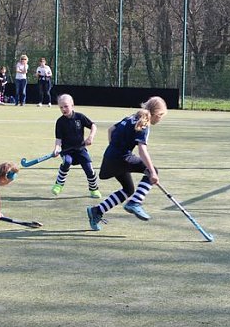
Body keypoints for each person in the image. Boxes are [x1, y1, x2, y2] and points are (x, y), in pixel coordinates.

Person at [86, 96, 167, 230]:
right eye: (161, 116)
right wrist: (152, 172)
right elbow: (142, 151)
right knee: (153, 170)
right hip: (121, 158)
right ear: (157, 114)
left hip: (109, 158)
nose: (160, 119)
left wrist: (115, 148)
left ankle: (97, 211)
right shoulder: (144, 124)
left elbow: (111, 130)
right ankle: (135, 202)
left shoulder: (131, 117)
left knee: (128, 189)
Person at [51, 93, 101, 198]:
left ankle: (94, 189)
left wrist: (90, 137)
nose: (63, 109)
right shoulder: (60, 122)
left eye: (66, 106)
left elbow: (93, 125)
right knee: (67, 162)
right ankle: (59, 184)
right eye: (61, 107)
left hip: (80, 149)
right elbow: (58, 139)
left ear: (72, 105)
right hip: (66, 151)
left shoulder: (80, 117)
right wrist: (56, 149)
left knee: (89, 169)